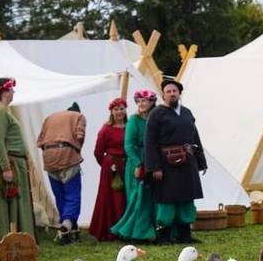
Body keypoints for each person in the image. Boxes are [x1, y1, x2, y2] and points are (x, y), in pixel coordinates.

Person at [144, 78, 207, 245]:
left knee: (187, 198)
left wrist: (200, 159)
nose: (172, 94)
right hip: (166, 163)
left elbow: (195, 137)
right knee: (167, 200)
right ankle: (163, 236)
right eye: (168, 92)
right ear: (163, 95)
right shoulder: (156, 114)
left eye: (174, 91)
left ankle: (185, 235)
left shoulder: (187, 113)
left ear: (179, 93)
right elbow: (149, 142)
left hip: (187, 162)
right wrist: (154, 167)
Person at [0, 77, 35, 243]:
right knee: (9, 201)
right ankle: (9, 240)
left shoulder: (3, 110)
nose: (13, 92)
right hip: (8, 161)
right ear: (4, 92)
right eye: (11, 89)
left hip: (13, 160)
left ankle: (18, 239)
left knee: (15, 201)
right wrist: (6, 167)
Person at [112, 89, 158, 242]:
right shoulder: (133, 120)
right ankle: (134, 232)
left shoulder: (155, 118)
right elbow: (129, 145)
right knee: (137, 198)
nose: (141, 104)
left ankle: (150, 230)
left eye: (145, 101)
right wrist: (139, 163)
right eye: (139, 101)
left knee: (151, 198)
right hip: (137, 163)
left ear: (152, 102)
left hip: (153, 160)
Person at [37, 102, 86, 244]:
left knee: (60, 195)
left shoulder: (50, 117)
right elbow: (80, 136)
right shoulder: (79, 116)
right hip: (67, 155)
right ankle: (66, 226)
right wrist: (75, 151)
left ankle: (70, 228)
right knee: (72, 194)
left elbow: (39, 141)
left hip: (48, 156)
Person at [88, 98, 129, 241]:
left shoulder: (130, 126)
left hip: (127, 166)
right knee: (111, 198)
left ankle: (125, 229)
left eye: (122, 108)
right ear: (111, 112)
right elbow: (98, 152)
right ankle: (108, 230)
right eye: (116, 109)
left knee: (125, 197)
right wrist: (107, 164)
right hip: (110, 168)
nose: (119, 112)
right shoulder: (106, 129)